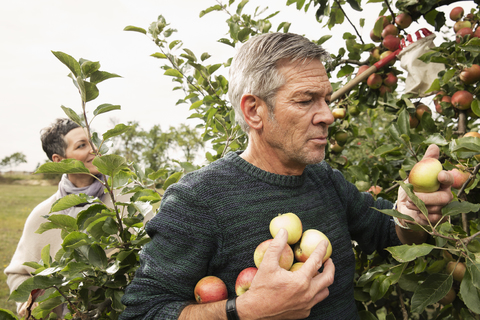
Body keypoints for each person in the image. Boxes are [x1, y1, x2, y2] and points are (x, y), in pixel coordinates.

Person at [120, 32, 453, 320]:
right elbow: (143, 311)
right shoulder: (199, 199)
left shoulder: (325, 180)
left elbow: (389, 233)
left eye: (325, 98)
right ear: (254, 111)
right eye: (306, 100)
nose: (327, 115)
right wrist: (244, 311)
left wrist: (410, 216)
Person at [5, 118, 153, 317]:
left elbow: (158, 250)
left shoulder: (128, 198)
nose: (93, 149)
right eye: (82, 145)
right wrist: (30, 302)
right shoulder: (43, 215)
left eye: (92, 141)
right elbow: (18, 274)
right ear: (59, 160)